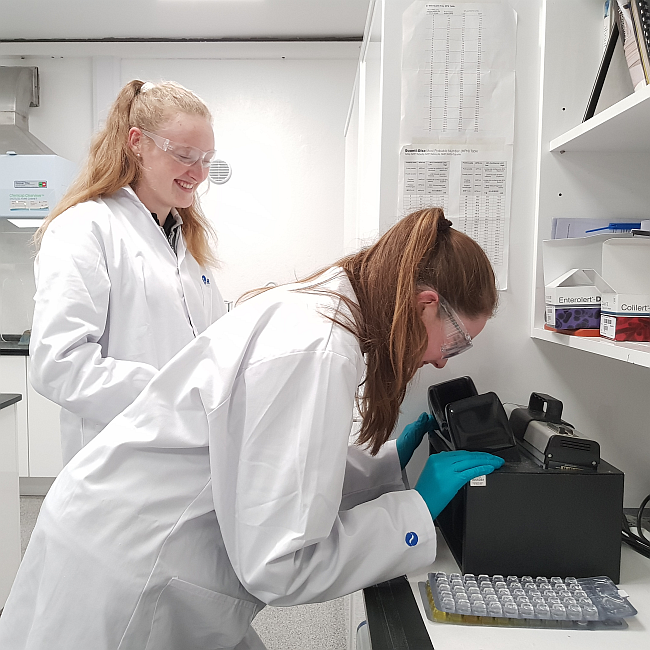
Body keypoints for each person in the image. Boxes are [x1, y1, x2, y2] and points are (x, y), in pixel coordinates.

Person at [0, 208, 504, 650]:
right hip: (130, 570)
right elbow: (280, 565)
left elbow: (272, 463)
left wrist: (386, 464)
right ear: (424, 303)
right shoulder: (320, 349)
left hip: (125, 530)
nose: (442, 362)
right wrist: (413, 511)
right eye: (455, 343)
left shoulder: (327, 313)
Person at [29, 79, 227, 464]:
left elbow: (211, 345)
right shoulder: (85, 228)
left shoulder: (187, 241)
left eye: (207, 158)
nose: (199, 173)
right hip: (118, 463)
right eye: (185, 155)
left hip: (188, 455)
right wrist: (177, 395)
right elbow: (59, 365)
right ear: (137, 142)